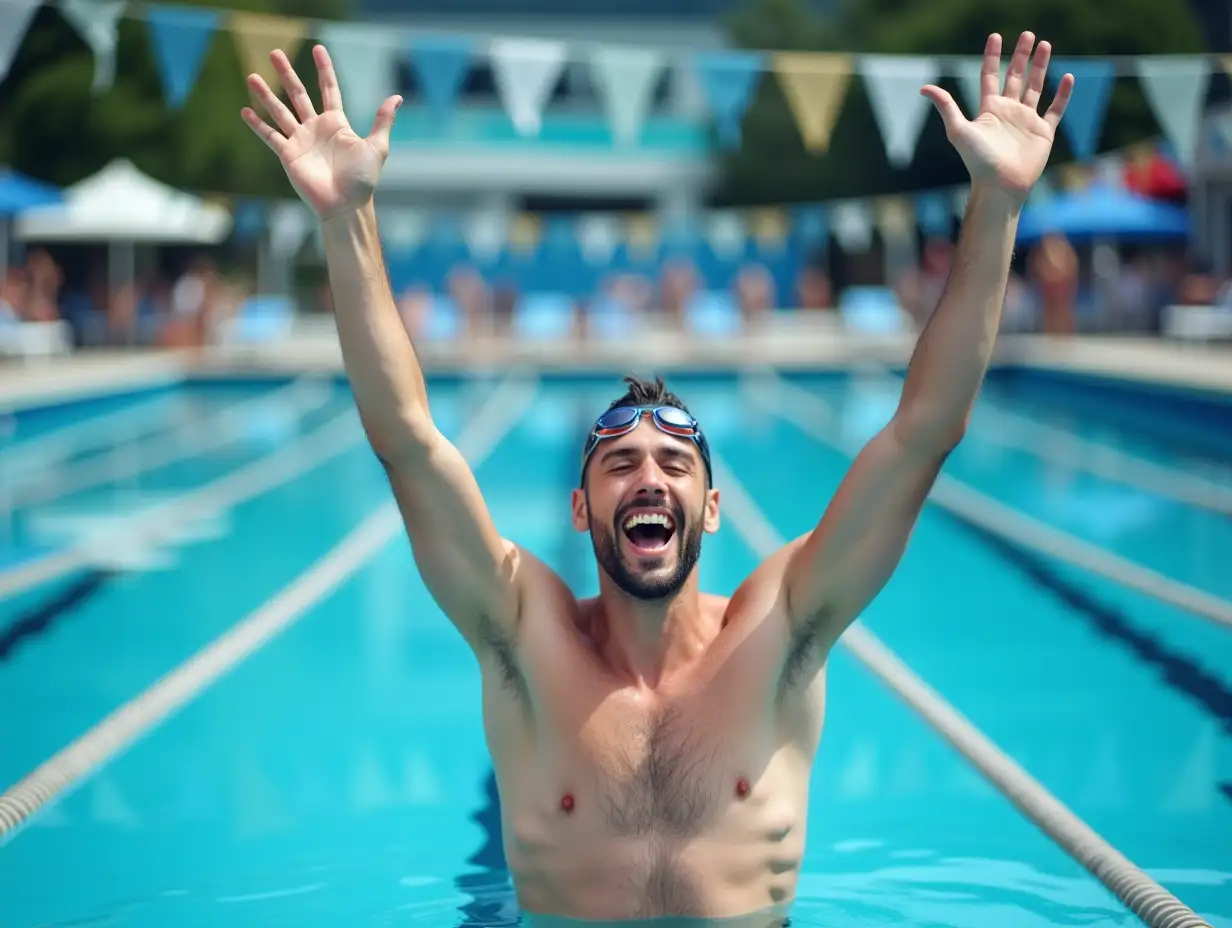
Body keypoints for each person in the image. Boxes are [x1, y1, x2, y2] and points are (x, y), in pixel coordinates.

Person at [241, 32, 1072, 923]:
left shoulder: (786, 622)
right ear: (578, 504)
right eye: (620, 463)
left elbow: (922, 434)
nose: (648, 476)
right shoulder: (521, 632)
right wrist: (345, 221)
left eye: (676, 464)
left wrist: (997, 205)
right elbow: (408, 440)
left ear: (710, 510)